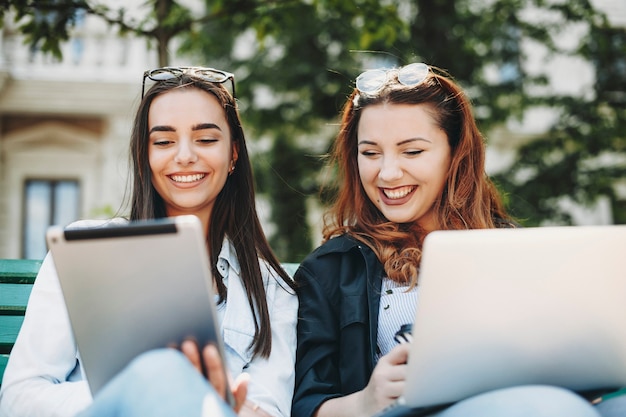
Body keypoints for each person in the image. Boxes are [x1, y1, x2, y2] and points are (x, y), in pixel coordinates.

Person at [291, 62, 608, 417]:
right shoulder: (329, 269)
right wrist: (367, 400)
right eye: (370, 153)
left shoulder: (511, 249)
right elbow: (304, 405)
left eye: (412, 151)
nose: (388, 173)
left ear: (455, 154)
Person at [0, 66, 298, 417]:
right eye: (164, 141)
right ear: (145, 155)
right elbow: (19, 400)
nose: (185, 155)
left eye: (205, 139)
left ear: (233, 154)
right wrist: (144, 390)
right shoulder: (86, 251)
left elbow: (269, 409)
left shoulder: (272, 291)